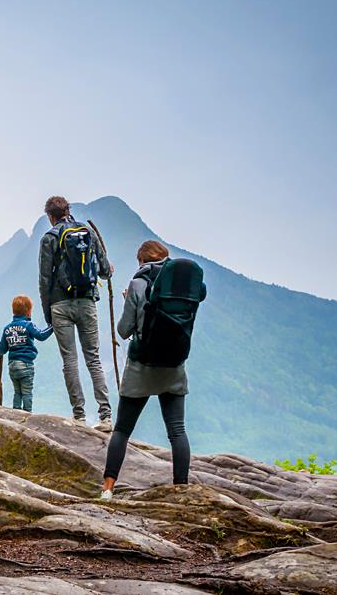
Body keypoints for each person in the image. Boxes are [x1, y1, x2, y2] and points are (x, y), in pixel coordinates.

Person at [100, 240, 202, 499]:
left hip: (141, 367)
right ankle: (181, 489)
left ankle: (107, 490)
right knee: (177, 430)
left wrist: (128, 302)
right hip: (174, 366)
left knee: (122, 430)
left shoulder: (137, 284)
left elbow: (124, 331)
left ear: (142, 261)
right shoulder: (183, 285)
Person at [38, 195, 114, 430]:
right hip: (87, 301)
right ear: (68, 210)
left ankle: (79, 416)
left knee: (69, 360)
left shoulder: (49, 237)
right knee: (93, 358)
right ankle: (105, 415)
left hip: (60, 304)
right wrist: (108, 270)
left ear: (50, 216)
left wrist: (47, 313)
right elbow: (103, 271)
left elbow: (44, 278)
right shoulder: (87, 233)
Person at [0, 295, 53, 412]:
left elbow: (2, 349)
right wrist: (52, 327)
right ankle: (27, 414)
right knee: (27, 392)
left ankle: (16, 413)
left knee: (17, 392)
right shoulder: (28, 325)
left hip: (12, 366)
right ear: (28, 312)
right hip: (26, 364)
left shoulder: (7, 328)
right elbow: (41, 335)